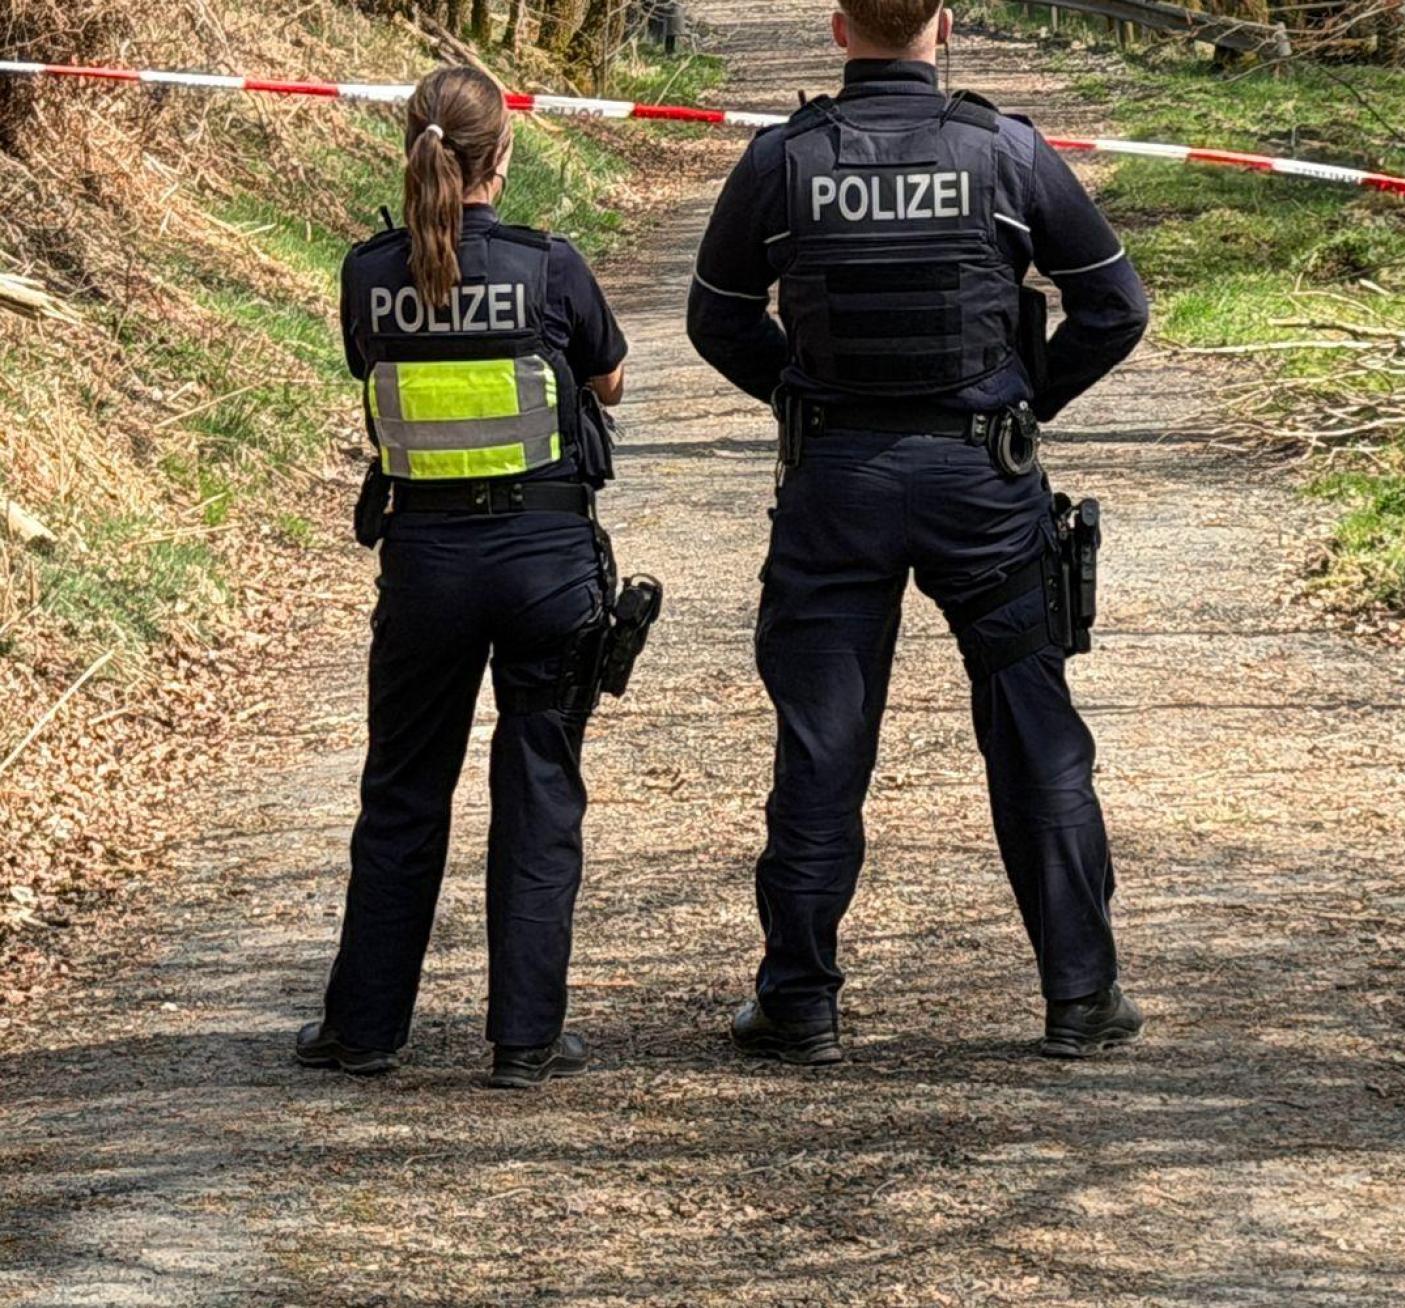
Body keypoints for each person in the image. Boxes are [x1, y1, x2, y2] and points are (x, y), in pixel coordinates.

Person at [687, 0, 1151, 1064]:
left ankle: (800, 1003)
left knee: (822, 745)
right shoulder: (1006, 155)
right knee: (1035, 731)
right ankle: (1081, 997)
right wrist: (1025, 397)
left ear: (840, 28)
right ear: (943, 26)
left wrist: (800, 395)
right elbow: (1115, 307)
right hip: (982, 479)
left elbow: (716, 317)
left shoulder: (782, 162)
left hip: (836, 482)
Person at [297, 65, 631, 1090]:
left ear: (412, 147)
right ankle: (526, 1039)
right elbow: (608, 379)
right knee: (539, 796)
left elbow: (371, 365)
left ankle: (363, 1032)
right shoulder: (551, 268)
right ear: (506, 156)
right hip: (543, 565)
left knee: (402, 793)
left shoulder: (367, 276)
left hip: (425, 568)